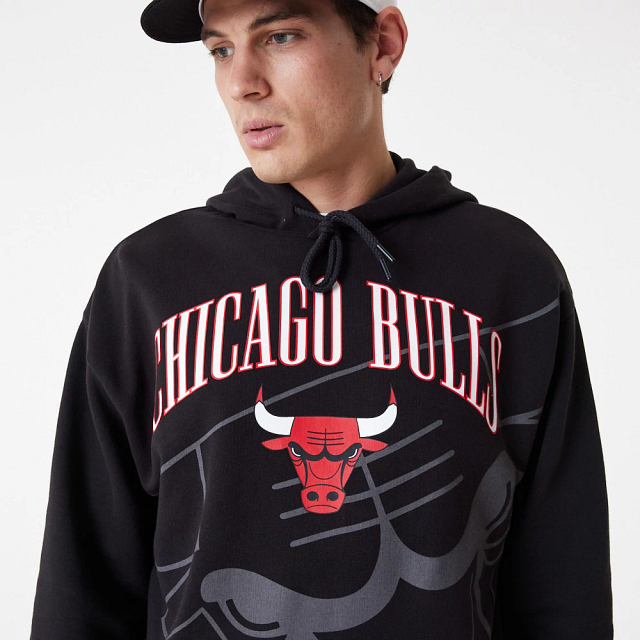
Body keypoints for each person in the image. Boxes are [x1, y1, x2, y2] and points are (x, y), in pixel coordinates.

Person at [30, 0, 613, 638]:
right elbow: (82, 584)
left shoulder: (511, 274)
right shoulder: (148, 278)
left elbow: (564, 581)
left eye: (280, 37)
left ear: (382, 45)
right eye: (220, 49)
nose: (240, 82)